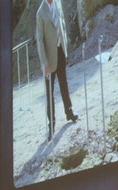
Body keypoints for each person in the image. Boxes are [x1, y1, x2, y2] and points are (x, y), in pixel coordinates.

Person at [36, 0, 78, 142]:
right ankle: (51, 124)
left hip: (60, 52)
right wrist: (44, 64)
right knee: (49, 92)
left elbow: (62, 26)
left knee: (64, 84)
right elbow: (40, 39)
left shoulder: (57, 4)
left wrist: (65, 49)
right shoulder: (40, 13)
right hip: (49, 59)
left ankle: (69, 112)